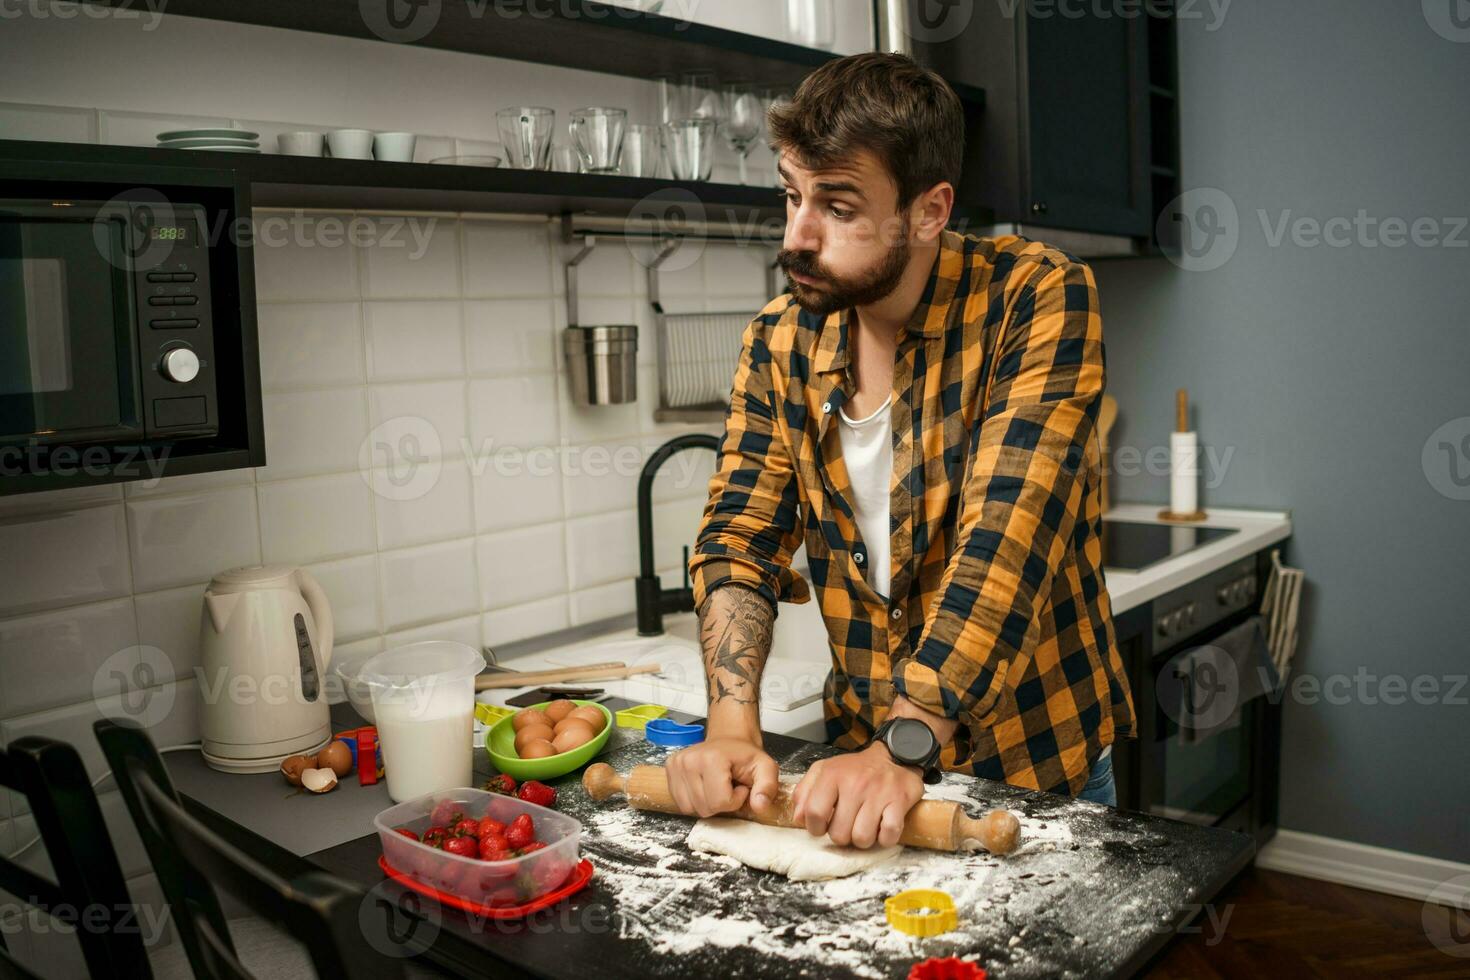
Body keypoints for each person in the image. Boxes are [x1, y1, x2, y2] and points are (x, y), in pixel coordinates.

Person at [665, 52, 1136, 849]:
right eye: (792, 196)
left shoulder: (1036, 296)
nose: (796, 237)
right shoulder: (779, 339)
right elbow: (740, 538)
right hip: (861, 777)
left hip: (1034, 767)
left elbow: (1006, 542)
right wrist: (731, 725)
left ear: (928, 211)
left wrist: (907, 741)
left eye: (838, 208)